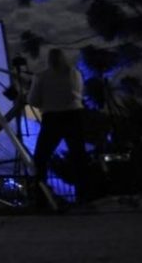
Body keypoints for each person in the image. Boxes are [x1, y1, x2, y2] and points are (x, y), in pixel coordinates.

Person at [28, 48, 88, 198]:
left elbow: (33, 100)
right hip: (74, 115)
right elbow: (79, 94)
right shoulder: (74, 73)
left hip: (52, 117)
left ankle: (41, 194)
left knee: (41, 157)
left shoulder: (41, 77)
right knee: (78, 155)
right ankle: (84, 194)